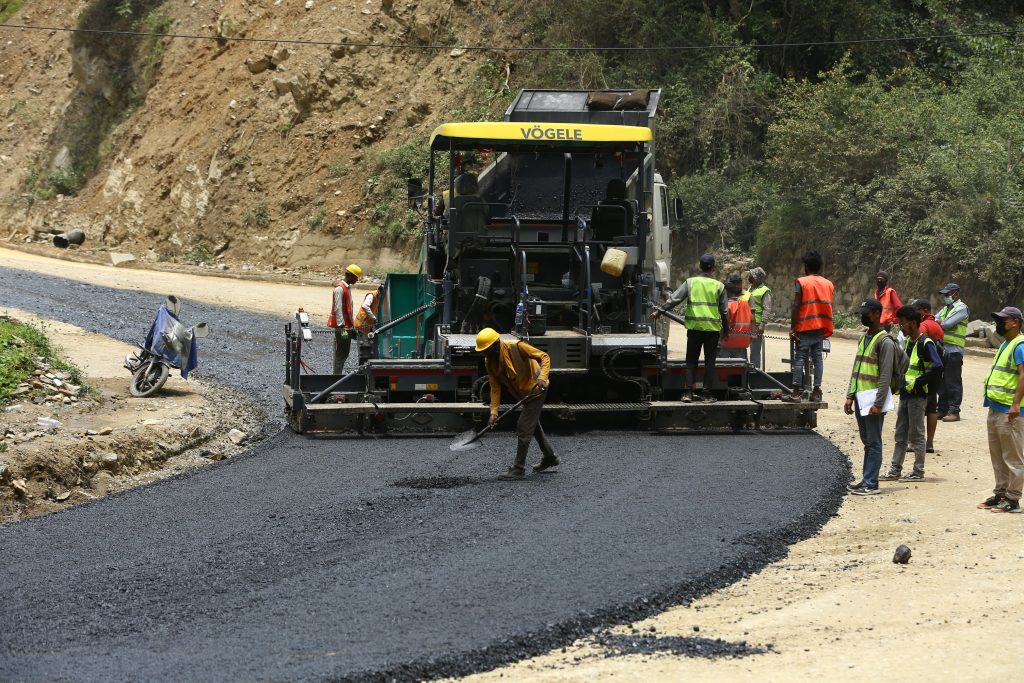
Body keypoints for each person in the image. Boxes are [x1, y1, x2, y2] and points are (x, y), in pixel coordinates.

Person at [475, 328, 558, 480]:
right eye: (482, 351)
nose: (483, 354)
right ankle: (550, 457)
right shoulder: (490, 361)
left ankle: (518, 469)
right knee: (532, 426)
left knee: (523, 426)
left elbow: (544, 357)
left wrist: (543, 377)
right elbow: (495, 387)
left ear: (496, 344)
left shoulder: (517, 347)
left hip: (537, 389)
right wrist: (494, 413)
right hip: (522, 394)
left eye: (485, 350)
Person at [652, 253, 729, 403]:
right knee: (710, 362)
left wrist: (659, 311)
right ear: (713, 268)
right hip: (712, 330)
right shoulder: (719, 286)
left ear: (700, 267)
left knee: (691, 361)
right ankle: (707, 395)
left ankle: (688, 393)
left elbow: (674, 299)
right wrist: (726, 330)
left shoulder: (690, 282)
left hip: (694, 329)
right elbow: (724, 312)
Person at [879, 305, 943, 483]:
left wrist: (919, 382)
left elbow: (937, 367)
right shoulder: (907, 342)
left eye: (903, 324)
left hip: (918, 394)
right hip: (907, 394)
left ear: (914, 324)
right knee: (901, 433)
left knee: (917, 433)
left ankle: (918, 471)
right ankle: (895, 469)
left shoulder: (925, 343)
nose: (901, 328)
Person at [845, 299, 897, 495]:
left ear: (877, 313)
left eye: (866, 313)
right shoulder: (864, 338)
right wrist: (850, 395)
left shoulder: (885, 342)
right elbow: (856, 368)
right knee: (867, 439)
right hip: (860, 397)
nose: (863, 317)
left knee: (874, 441)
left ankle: (871, 483)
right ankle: (866, 478)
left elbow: (885, 375)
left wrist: (879, 403)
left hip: (873, 399)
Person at [977, 307, 1024, 513]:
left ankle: (1013, 500)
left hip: (1010, 411)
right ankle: (1001, 493)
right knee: (998, 456)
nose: (999, 324)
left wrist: (1015, 404)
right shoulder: (1006, 343)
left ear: (1015, 322)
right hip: (996, 408)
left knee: (1013, 458)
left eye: (1002, 320)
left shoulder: (1019, 345)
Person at [783, 251, 834, 403]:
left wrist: (793, 328)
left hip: (804, 327)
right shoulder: (829, 284)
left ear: (806, 266)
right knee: (818, 359)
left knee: (800, 359)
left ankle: (796, 393)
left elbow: (796, 305)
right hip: (820, 328)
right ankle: (816, 392)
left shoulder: (801, 282)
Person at [912, 298, 945, 453]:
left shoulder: (924, 326)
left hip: (924, 373)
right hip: (936, 373)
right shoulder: (937, 326)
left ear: (924, 311)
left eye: (916, 310)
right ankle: (929, 443)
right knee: (932, 408)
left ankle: (913, 442)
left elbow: (919, 346)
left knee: (918, 408)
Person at [935, 283, 969, 422]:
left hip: (955, 349)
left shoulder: (962, 308)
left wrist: (942, 322)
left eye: (948, 294)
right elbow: (934, 319)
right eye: (945, 295)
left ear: (956, 293)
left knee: (953, 381)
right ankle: (942, 409)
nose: (946, 297)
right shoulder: (946, 309)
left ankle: (954, 411)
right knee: (941, 380)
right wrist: (941, 322)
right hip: (942, 348)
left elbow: (947, 324)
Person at [327, 264, 361, 374]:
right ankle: (336, 378)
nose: (357, 279)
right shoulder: (339, 289)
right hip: (343, 328)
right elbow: (338, 309)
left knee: (344, 352)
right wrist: (343, 328)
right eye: (356, 277)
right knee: (341, 353)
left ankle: (337, 376)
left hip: (347, 327)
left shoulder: (346, 288)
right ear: (350, 275)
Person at [720, 273, 752, 361]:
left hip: (728, 341)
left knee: (724, 368)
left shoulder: (727, 305)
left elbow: (724, 323)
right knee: (741, 368)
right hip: (742, 342)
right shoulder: (745, 304)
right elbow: (752, 319)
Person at [747, 267, 772, 369]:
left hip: (756, 325)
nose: (749, 276)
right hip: (747, 323)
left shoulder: (765, 291)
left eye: (752, 275)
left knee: (755, 352)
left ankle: (755, 373)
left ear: (756, 278)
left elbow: (767, 308)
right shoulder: (750, 288)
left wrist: (762, 324)